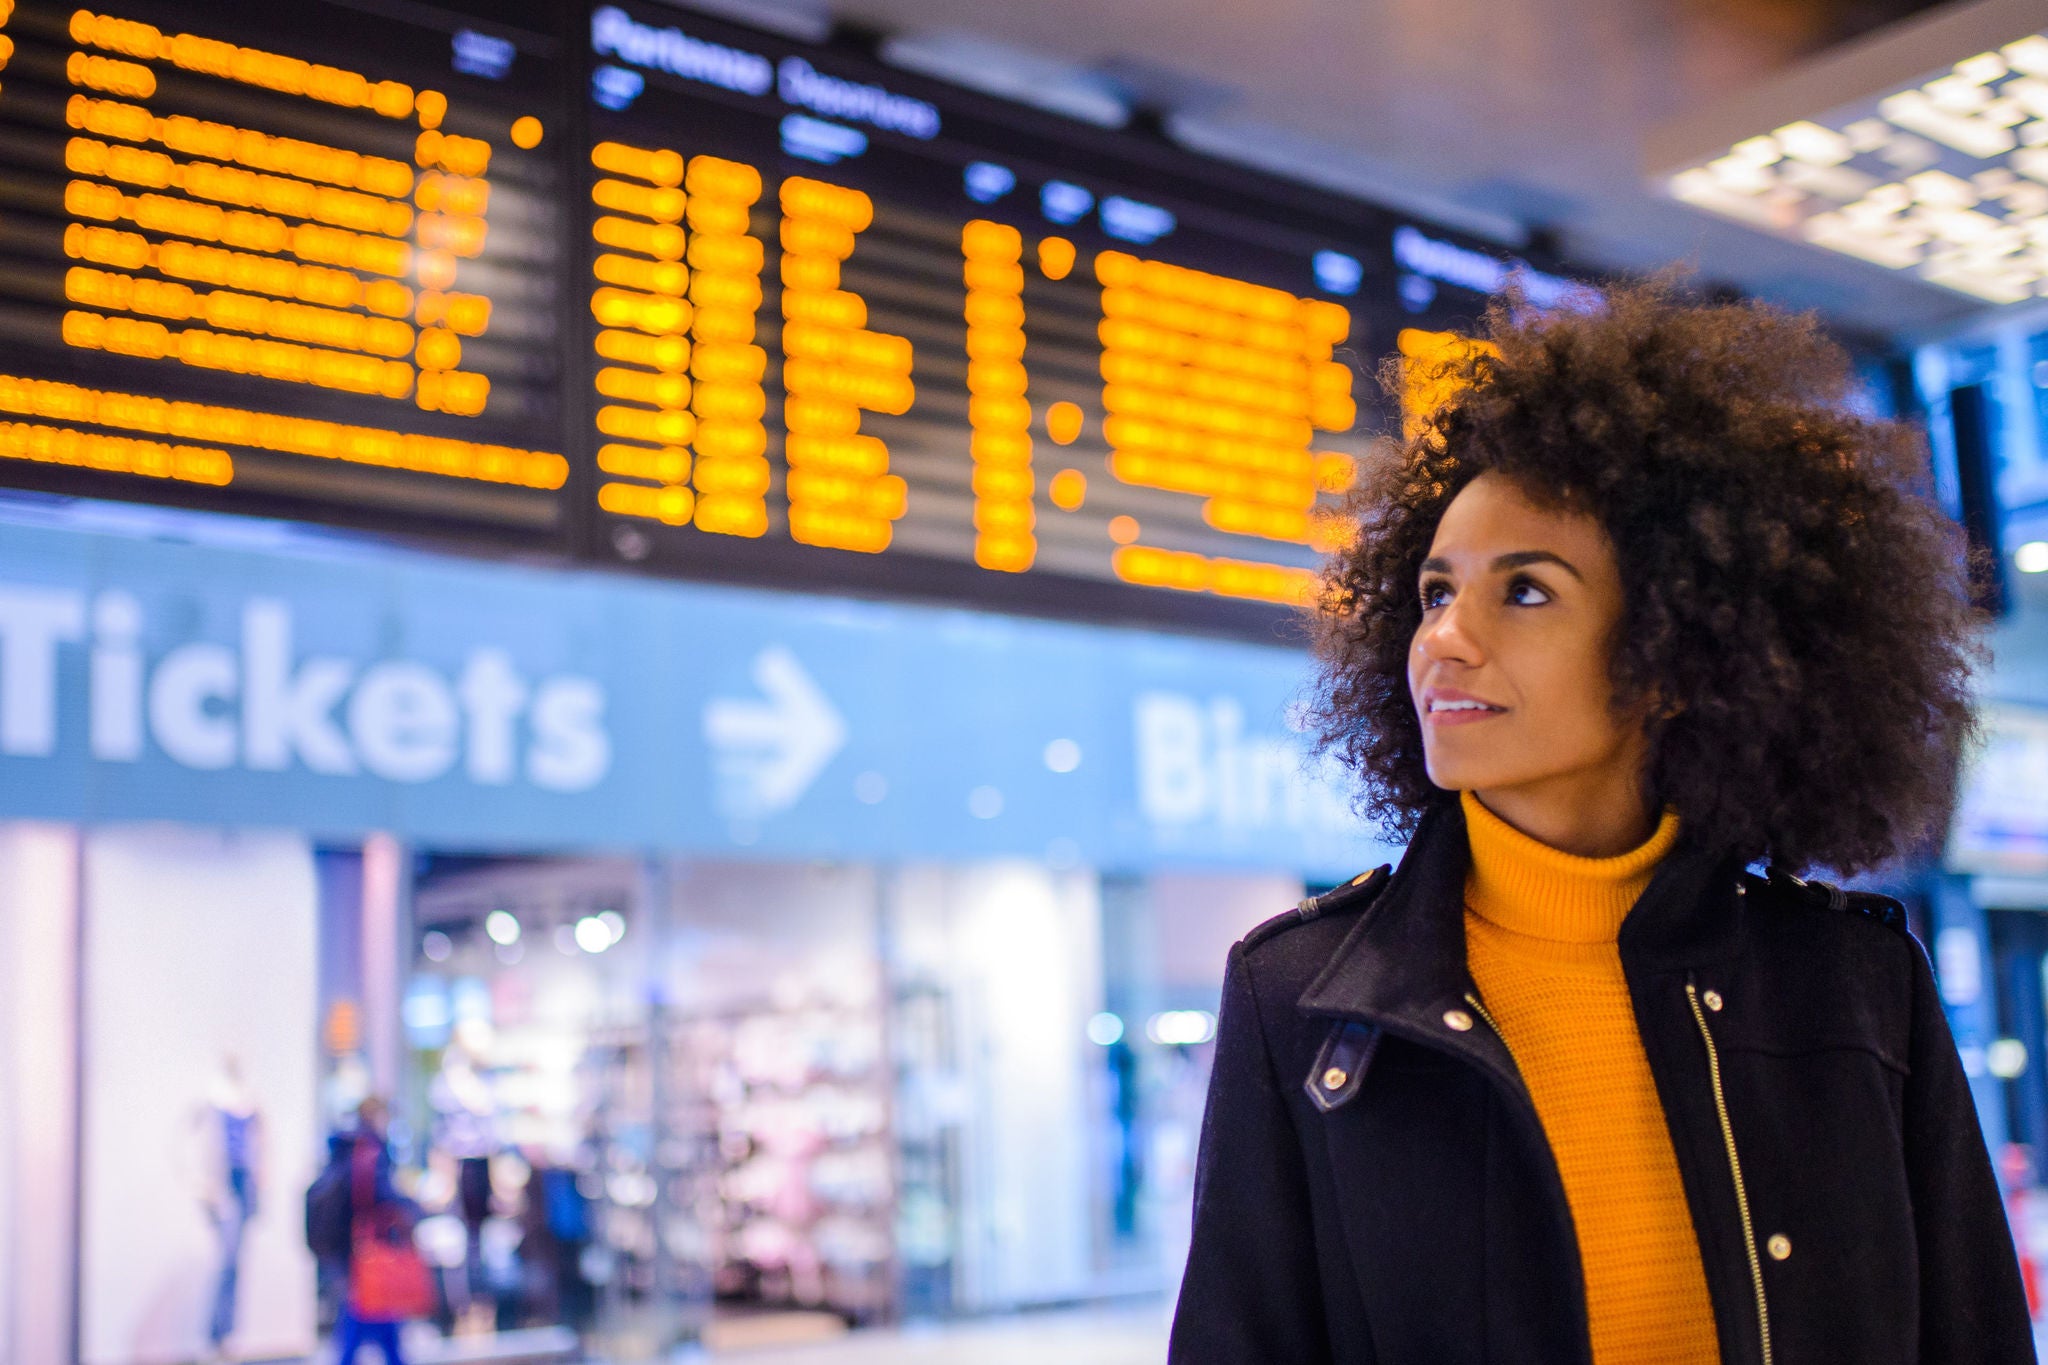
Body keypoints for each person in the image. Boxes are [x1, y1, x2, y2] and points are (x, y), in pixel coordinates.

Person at [1169, 283, 2034, 1363]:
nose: (1443, 638)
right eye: (1435, 592)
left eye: (1523, 592)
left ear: (1674, 653)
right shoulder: (1299, 998)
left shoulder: (1854, 984)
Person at [307, 1097, 417, 1365]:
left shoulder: (345, 1147)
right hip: (365, 1246)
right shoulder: (369, 1150)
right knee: (366, 1309)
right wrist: (414, 1206)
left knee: (369, 1309)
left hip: (346, 1244)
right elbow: (380, 1194)